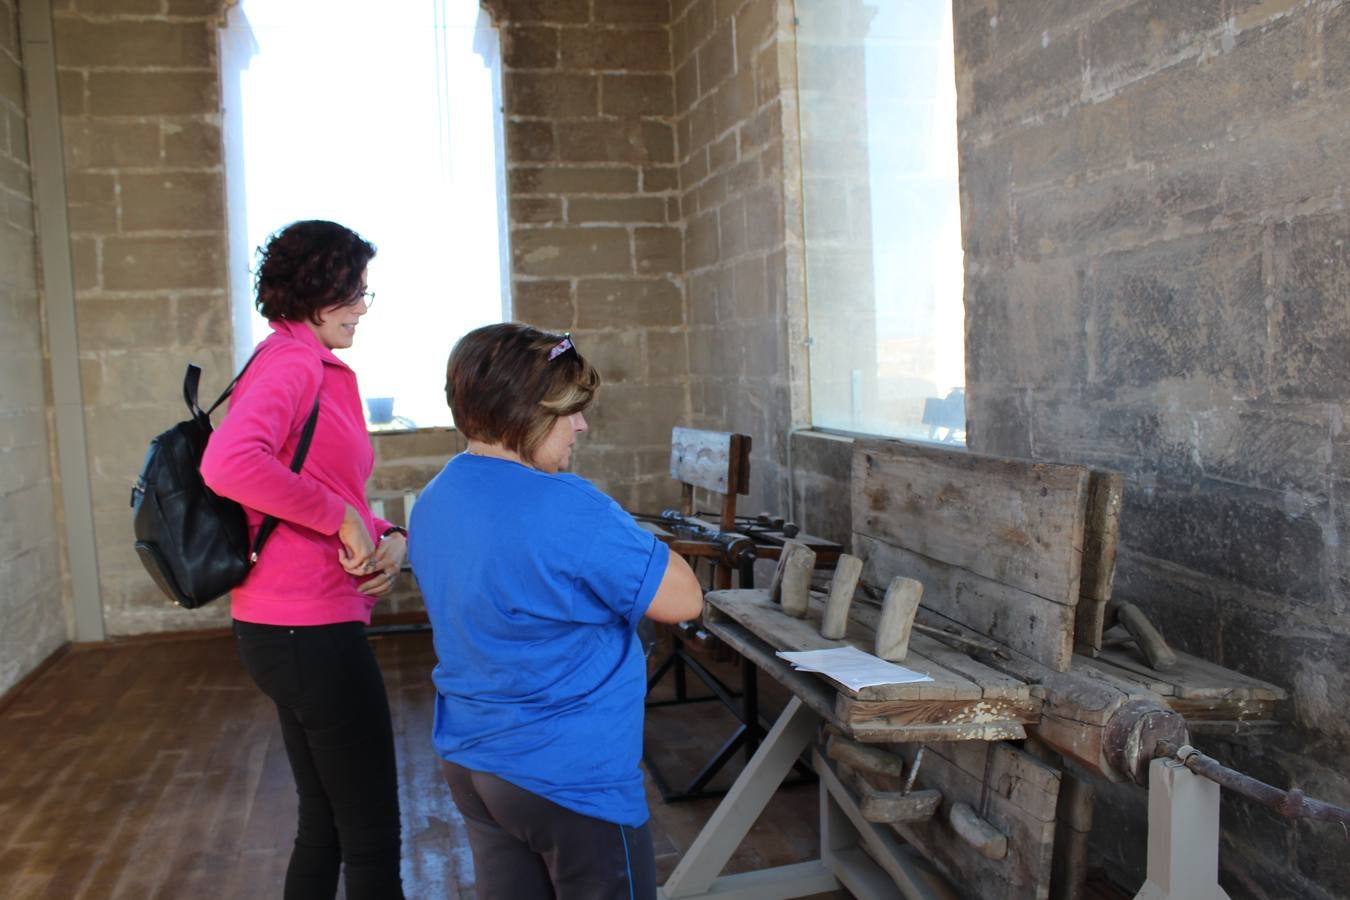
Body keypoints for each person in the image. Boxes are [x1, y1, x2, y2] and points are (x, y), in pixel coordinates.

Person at [409, 323, 704, 900]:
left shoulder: (438, 495)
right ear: (521, 411)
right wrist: (625, 531)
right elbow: (683, 598)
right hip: (566, 778)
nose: (581, 425)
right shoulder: (566, 504)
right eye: (568, 411)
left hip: (476, 765)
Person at [201, 220, 405, 899]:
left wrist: (385, 531)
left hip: (289, 626)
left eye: (364, 294)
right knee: (371, 838)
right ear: (315, 290)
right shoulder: (293, 362)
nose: (361, 310)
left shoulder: (296, 358)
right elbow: (228, 464)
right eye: (352, 293)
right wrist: (339, 518)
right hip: (306, 627)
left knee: (327, 828)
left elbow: (327, 485)